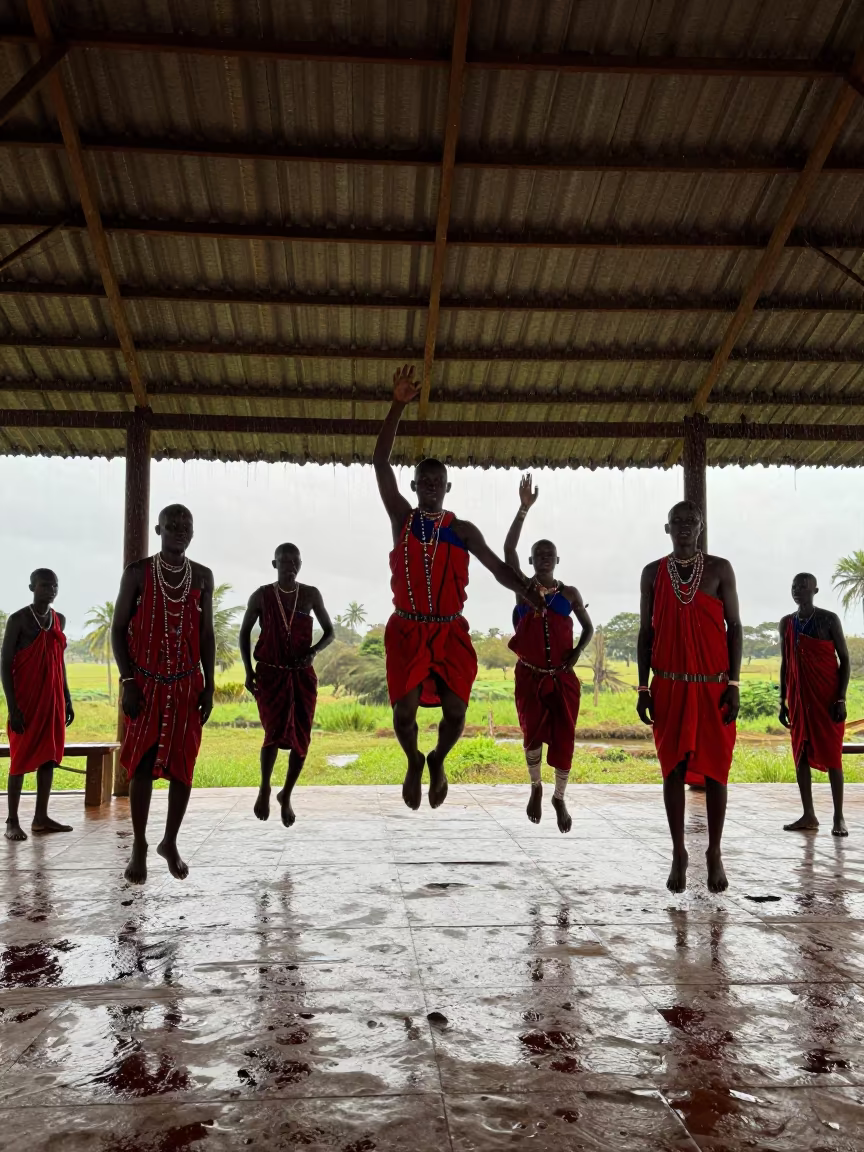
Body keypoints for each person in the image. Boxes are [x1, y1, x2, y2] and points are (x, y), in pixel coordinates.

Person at [374, 365, 544, 811]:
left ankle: (438, 760)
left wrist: (527, 588)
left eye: (437, 483)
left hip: (450, 631)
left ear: (447, 487)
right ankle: (412, 759)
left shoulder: (462, 529)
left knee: (456, 712)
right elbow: (379, 463)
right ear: (414, 487)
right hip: (408, 631)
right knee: (404, 714)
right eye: (423, 483)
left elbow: (495, 568)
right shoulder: (402, 519)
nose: (430, 488)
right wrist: (397, 405)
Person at [637, 501, 741, 893]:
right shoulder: (652, 573)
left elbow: (735, 628)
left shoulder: (719, 569)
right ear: (667, 529)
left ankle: (714, 852)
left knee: (716, 770)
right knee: (673, 770)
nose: (683, 527)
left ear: (701, 527)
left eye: (690, 522)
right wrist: (643, 686)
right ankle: (679, 851)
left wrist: (733, 684)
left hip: (713, 685)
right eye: (677, 522)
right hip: (668, 684)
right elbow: (646, 634)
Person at [111, 505, 215, 885]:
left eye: (186, 526)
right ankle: (139, 843)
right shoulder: (137, 573)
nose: (179, 531)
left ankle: (169, 842)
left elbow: (206, 635)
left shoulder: (202, 576)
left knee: (183, 768)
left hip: (188, 685)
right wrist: (127, 681)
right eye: (172, 525)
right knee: (141, 765)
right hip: (145, 685)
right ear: (159, 529)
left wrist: (210, 684)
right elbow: (119, 629)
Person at [503, 474, 594, 833]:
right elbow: (507, 552)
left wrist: (574, 656)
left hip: (562, 678)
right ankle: (536, 787)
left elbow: (588, 628)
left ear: (557, 559)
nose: (543, 557)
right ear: (531, 559)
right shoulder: (523, 590)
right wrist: (523, 510)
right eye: (538, 554)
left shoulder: (569, 593)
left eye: (549, 553)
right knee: (531, 733)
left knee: (565, 736)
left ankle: (559, 796)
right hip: (529, 675)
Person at [239, 543, 334, 828]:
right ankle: (265, 787)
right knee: (272, 733)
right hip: (270, 676)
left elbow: (330, 632)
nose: (290, 566)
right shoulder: (262, 595)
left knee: (301, 739)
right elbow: (244, 632)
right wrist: (247, 671)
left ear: (300, 565)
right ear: (274, 564)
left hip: (302, 676)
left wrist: (314, 650)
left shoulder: (310, 595)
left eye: (295, 561)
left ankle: (287, 794)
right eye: (285, 561)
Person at [1, 569, 74, 840]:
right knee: (19, 759)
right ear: (32, 586)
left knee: (49, 756)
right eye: (44, 585)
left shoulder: (59, 620)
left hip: (52, 697)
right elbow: (5, 664)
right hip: (25, 700)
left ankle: (41, 817)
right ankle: (12, 820)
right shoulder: (18, 620)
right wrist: (13, 707)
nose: (50, 589)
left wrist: (67, 697)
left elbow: (58, 660)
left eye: (54, 585)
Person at [779, 573, 849, 836]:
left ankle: (838, 817)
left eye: (804, 587)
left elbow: (844, 660)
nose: (798, 591)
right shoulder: (787, 623)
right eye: (794, 586)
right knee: (801, 755)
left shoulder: (828, 619)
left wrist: (840, 698)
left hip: (827, 699)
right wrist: (782, 700)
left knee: (832, 756)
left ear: (815, 590)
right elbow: (786, 663)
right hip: (798, 699)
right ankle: (809, 814)